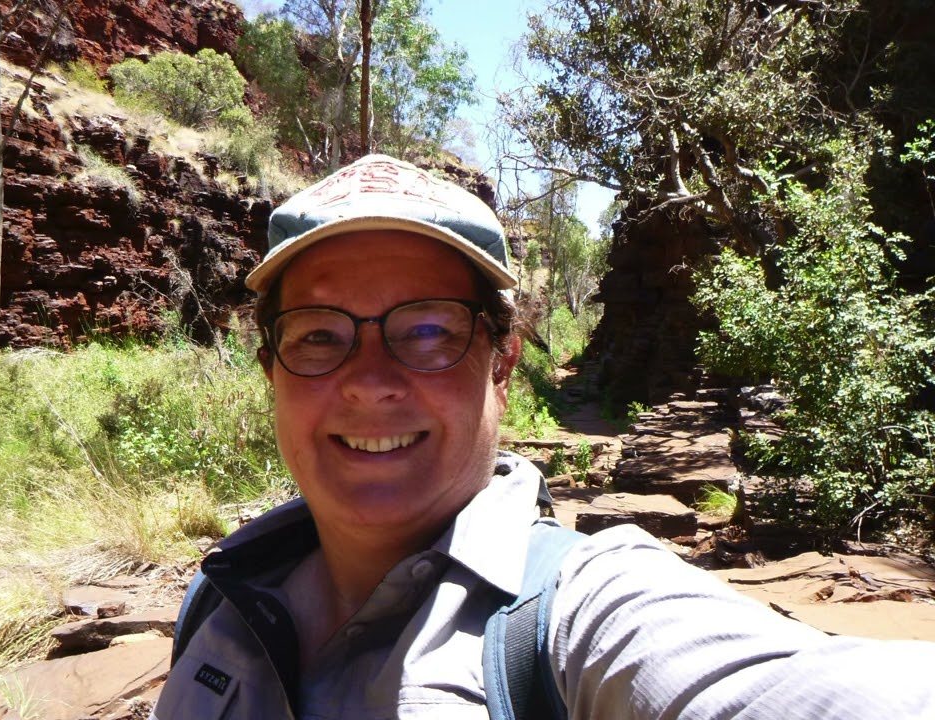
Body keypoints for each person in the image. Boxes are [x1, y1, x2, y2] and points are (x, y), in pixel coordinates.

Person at [151, 154, 935, 719]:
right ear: (271, 368)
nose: (368, 378)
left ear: (502, 362)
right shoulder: (216, 601)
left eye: (427, 330)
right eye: (320, 335)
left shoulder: (577, 617)